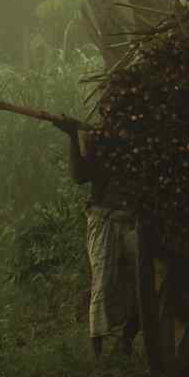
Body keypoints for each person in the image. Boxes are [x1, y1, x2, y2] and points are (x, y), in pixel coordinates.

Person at [53, 119, 139, 358]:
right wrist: (72, 136)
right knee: (102, 285)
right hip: (104, 222)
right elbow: (79, 176)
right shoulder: (104, 147)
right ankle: (98, 355)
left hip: (132, 223)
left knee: (143, 285)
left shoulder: (142, 151)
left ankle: (126, 340)